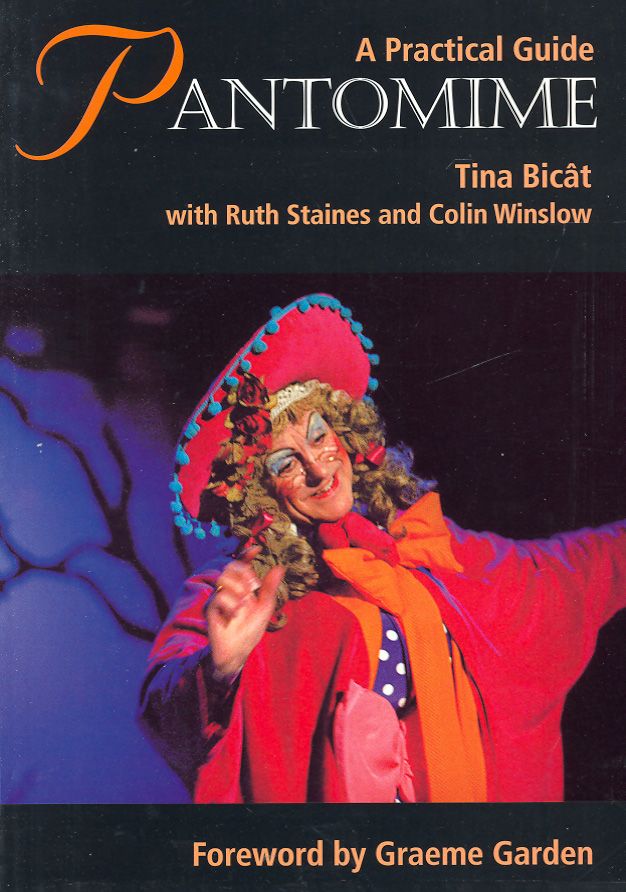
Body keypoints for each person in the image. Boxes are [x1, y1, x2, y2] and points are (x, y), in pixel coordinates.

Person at [139, 295, 626, 803]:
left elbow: (561, 572)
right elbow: (161, 704)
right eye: (286, 463)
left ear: (344, 431)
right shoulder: (245, 585)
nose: (318, 468)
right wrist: (219, 670)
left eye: (319, 436)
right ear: (261, 489)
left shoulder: (418, 543)